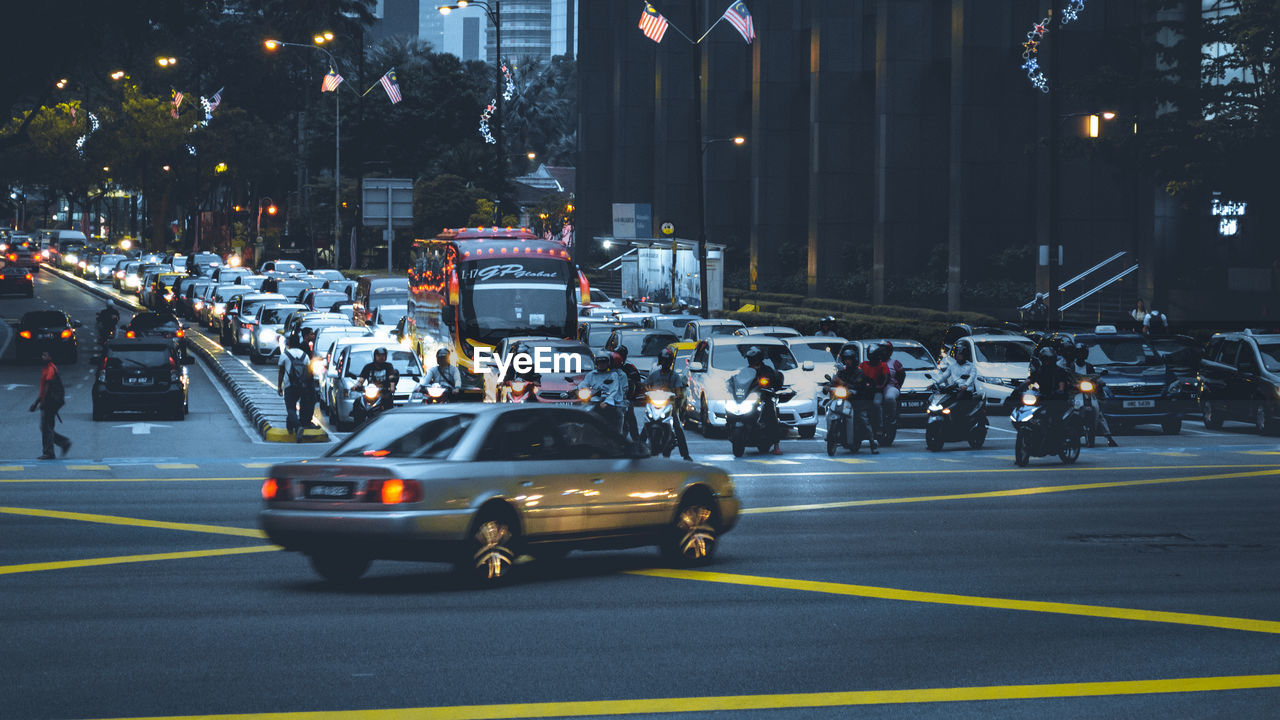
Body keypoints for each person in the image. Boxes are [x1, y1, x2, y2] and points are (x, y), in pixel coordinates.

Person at [644, 347, 692, 460]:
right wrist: (647, 391)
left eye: (667, 361)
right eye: (663, 360)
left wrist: (677, 395)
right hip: (655, 405)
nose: (665, 363)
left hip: (669, 406)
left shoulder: (674, 376)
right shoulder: (654, 374)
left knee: (677, 427)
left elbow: (679, 391)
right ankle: (637, 449)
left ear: (670, 362)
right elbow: (646, 384)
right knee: (646, 425)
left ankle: (685, 454)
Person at [1070, 342, 1117, 447]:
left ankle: (1109, 437)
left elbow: (1095, 378)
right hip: (1075, 393)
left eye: (1082, 353)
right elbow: (1069, 378)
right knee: (1071, 410)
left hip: (1089, 393)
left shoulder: (1089, 366)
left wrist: (1100, 383)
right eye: (1078, 353)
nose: (1080, 356)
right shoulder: (1071, 366)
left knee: (1098, 412)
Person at [835, 346, 877, 454]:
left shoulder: (859, 373)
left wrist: (843, 383)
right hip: (845, 400)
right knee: (832, 409)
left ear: (854, 360)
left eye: (849, 359)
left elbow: (856, 385)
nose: (847, 362)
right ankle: (833, 434)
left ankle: (873, 443)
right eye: (845, 359)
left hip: (857, 401)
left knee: (863, 418)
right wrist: (827, 386)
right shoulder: (842, 372)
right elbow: (835, 380)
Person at [745, 347, 786, 455]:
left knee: (771, 415)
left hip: (764, 398)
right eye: (750, 358)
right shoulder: (746, 371)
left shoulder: (766, 370)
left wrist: (768, 383)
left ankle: (776, 446)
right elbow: (739, 380)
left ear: (759, 358)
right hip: (749, 398)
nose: (751, 360)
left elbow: (774, 380)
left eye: (753, 358)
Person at [30, 351, 70, 460]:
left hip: (49, 402)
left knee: (46, 427)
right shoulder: (48, 368)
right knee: (46, 427)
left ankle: (49, 452)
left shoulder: (51, 369)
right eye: (42, 355)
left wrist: (41, 402)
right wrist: (37, 402)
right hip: (49, 402)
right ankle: (63, 443)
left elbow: (47, 386)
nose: (42, 357)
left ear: (50, 357)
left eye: (45, 355)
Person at [277, 334, 317, 440]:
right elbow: (309, 372)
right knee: (296, 407)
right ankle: (291, 426)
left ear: (289, 343)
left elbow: (281, 373)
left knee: (291, 407)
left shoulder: (285, 355)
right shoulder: (304, 355)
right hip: (302, 385)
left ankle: (298, 427)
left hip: (289, 385)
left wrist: (279, 387)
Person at [577, 351, 628, 434]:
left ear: (608, 363)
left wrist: (606, 402)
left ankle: (616, 436)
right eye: (600, 362)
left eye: (604, 362)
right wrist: (579, 389)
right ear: (597, 363)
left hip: (608, 403)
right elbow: (583, 384)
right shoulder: (591, 375)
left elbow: (614, 390)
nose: (602, 364)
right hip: (593, 401)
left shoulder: (613, 375)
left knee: (615, 417)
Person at [858, 344, 890, 439]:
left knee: (876, 404)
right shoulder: (863, 365)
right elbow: (857, 373)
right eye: (871, 355)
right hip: (863, 391)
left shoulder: (883, 365)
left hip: (876, 391)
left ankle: (880, 427)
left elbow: (886, 377)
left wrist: (880, 386)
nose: (873, 357)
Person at [616, 345, 644, 441]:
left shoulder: (630, 367)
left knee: (630, 415)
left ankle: (636, 439)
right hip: (611, 397)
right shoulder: (609, 367)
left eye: (621, 355)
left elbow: (638, 381)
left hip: (626, 397)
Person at [879, 341, 905, 434]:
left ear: (890, 351)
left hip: (891, 387)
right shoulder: (875, 362)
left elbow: (902, 375)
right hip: (876, 388)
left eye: (885, 350)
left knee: (889, 398)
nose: (882, 352)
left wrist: (897, 386)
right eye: (881, 350)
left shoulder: (895, 363)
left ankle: (892, 419)